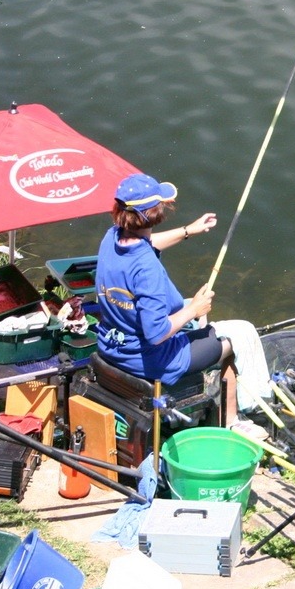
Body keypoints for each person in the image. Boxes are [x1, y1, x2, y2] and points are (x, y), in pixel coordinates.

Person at [94, 173, 268, 441]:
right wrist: (193, 310)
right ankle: (235, 419)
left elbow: (147, 244)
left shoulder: (113, 238)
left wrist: (189, 230)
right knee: (240, 334)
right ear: (156, 214)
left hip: (113, 344)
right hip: (152, 358)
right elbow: (155, 333)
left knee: (191, 310)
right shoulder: (146, 268)